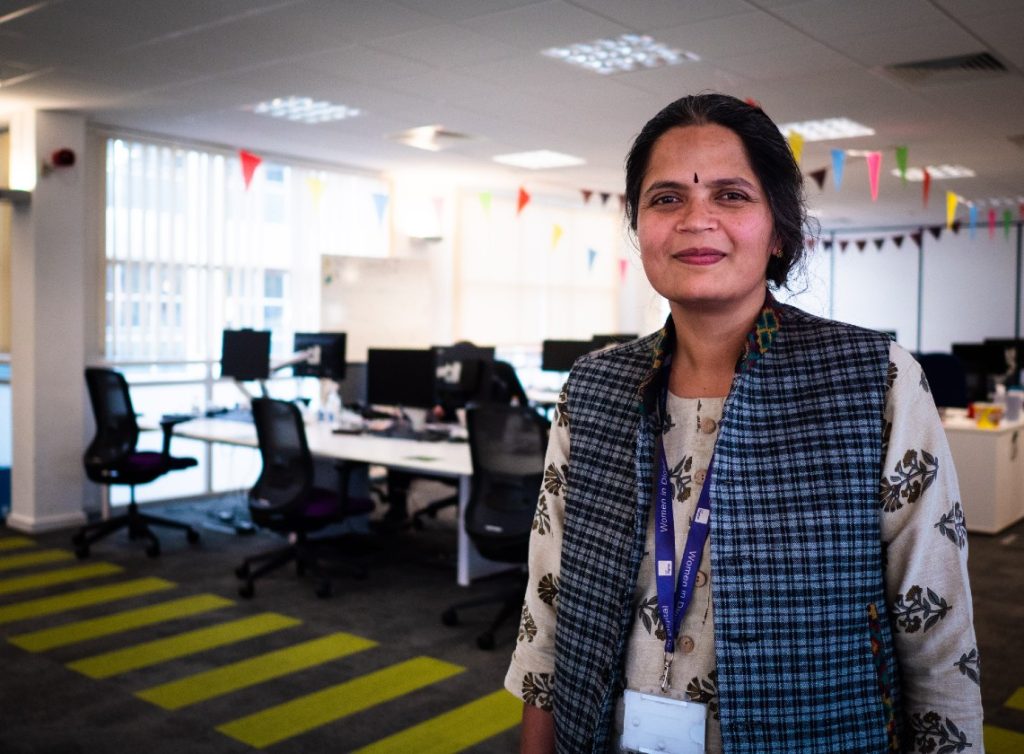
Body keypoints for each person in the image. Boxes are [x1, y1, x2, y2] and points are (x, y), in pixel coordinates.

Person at [504, 93, 983, 753]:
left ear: (778, 230)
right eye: (666, 198)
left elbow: (938, 634)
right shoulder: (593, 386)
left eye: (731, 196)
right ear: (638, 227)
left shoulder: (878, 380)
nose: (696, 219)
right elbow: (549, 604)